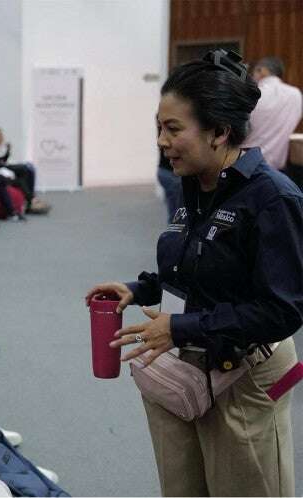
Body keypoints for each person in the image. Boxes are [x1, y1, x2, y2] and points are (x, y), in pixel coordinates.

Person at [86, 50, 303, 497]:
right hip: (185, 367)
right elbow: (194, 264)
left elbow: (282, 311)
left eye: (173, 129)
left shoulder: (272, 198)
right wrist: (138, 289)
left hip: (245, 377)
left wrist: (181, 327)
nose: (161, 141)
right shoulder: (195, 184)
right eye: (158, 128)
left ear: (220, 132)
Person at [243, 56, 303, 174]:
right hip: (277, 172)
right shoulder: (296, 95)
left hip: (243, 167)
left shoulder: (252, 94)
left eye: (254, 72)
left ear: (262, 71)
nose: (252, 78)